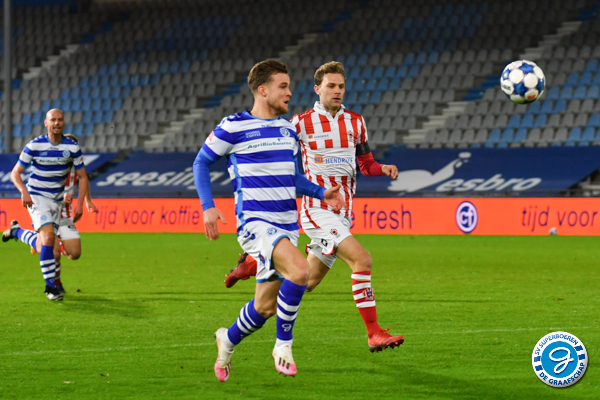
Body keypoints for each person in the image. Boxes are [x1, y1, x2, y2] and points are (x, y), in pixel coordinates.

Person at [225, 61, 404, 353]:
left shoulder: (356, 122)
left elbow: (365, 163)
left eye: (341, 86)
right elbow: (278, 155)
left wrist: (381, 168)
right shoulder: (300, 123)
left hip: (343, 214)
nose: (337, 91)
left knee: (305, 281)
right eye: (331, 86)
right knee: (362, 260)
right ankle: (374, 333)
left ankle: (255, 265)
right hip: (317, 210)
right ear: (317, 89)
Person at [193, 60, 344, 382]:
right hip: (255, 222)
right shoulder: (233, 126)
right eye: (283, 86)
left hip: (287, 224)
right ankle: (283, 346)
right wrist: (208, 207)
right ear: (262, 90)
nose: (289, 92)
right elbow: (201, 162)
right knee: (300, 270)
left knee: (264, 307)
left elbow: (292, 177)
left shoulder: (288, 131)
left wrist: (321, 192)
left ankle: (226, 340)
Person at [2, 109, 89, 301]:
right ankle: (51, 288)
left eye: (60, 120)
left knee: (44, 245)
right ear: (46, 123)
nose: (57, 123)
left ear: (63, 123)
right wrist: (24, 191)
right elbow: (15, 173)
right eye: (53, 120)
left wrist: (81, 204)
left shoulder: (72, 148)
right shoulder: (34, 145)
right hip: (36, 197)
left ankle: (17, 232)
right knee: (49, 238)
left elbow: (83, 177)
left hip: (57, 202)